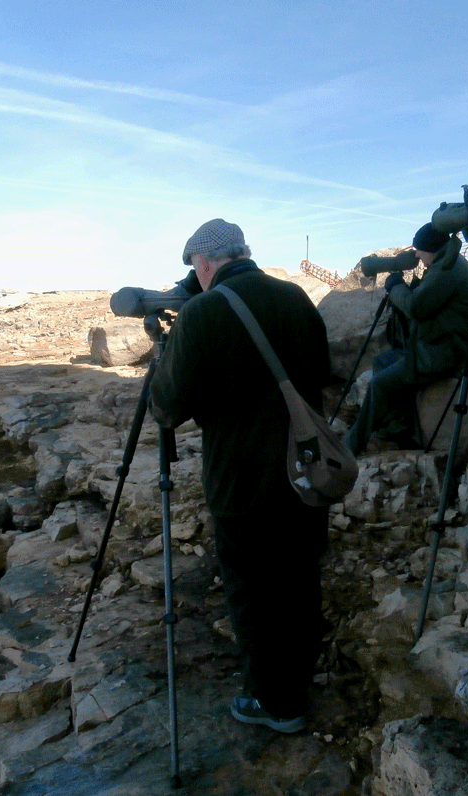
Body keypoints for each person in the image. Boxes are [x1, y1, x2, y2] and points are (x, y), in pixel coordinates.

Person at [149, 218, 330, 733]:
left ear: (205, 263)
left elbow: (167, 407)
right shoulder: (296, 297)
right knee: (298, 580)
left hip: (242, 480)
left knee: (253, 591)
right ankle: (297, 678)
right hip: (306, 470)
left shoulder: (202, 313)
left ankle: (275, 702)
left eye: (195, 267)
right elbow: (321, 370)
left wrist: (165, 354)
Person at [344, 222, 468, 456]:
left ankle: (351, 445)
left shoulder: (447, 269)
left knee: (378, 384)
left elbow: (416, 306)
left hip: (442, 353)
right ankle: (397, 426)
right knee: (383, 361)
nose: (416, 256)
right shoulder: (446, 261)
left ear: (432, 250)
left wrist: (396, 287)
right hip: (433, 344)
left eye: (419, 251)